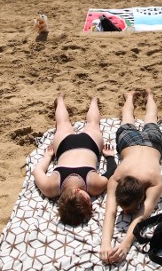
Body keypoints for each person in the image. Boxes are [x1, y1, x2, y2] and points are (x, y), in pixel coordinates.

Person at [100, 90, 162, 265]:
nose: (127, 213)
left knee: (135, 119)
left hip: (140, 144)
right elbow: (110, 212)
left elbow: (141, 217)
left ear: (142, 196)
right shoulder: (116, 178)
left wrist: (126, 244)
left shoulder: (154, 183)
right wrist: (105, 243)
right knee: (149, 119)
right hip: (141, 144)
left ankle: (140, 96)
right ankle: (144, 96)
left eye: (129, 209)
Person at [32, 95, 116, 226]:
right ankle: (65, 100)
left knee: (93, 124)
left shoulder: (93, 186)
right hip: (64, 146)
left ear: (77, 191)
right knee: (63, 124)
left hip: (90, 145)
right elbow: (37, 171)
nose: (91, 201)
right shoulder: (51, 188)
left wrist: (110, 156)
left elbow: (111, 172)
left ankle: (91, 101)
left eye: (88, 202)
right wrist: (47, 158)